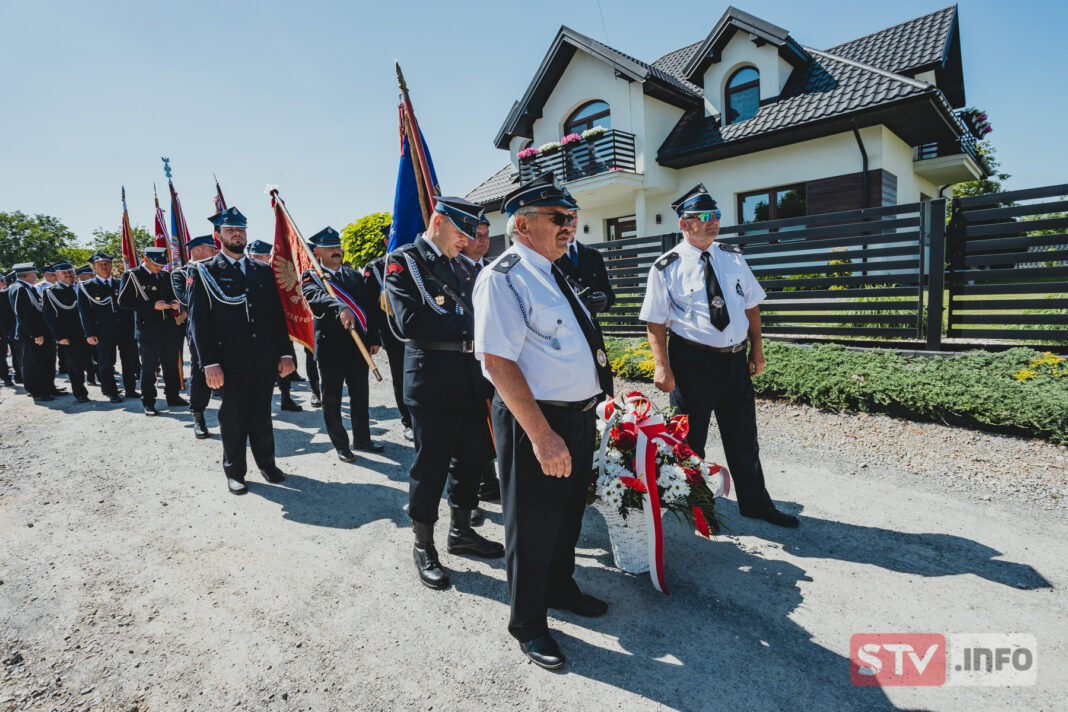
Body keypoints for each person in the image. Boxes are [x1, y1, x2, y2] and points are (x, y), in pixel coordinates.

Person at [473, 172, 615, 670]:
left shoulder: (553, 272)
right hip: (536, 421)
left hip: (575, 419)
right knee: (532, 527)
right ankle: (529, 624)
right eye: (559, 218)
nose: (570, 227)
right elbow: (498, 362)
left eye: (572, 218)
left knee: (568, 516)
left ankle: (559, 587)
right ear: (522, 224)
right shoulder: (505, 276)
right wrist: (542, 435)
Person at [639, 183, 798, 529]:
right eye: (705, 217)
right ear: (685, 224)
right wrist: (662, 367)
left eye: (717, 215)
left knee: (744, 437)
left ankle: (755, 503)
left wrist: (757, 349)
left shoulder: (733, 257)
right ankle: (696, 508)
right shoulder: (666, 267)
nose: (713, 222)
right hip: (692, 363)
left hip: (734, 361)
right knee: (690, 440)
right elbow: (655, 323)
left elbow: (752, 307)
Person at [385, 195, 504, 590]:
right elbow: (411, 323)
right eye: (462, 232)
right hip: (432, 380)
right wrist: (476, 328)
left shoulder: (461, 266)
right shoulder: (405, 261)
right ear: (438, 222)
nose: (468, 241)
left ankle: (461, 532)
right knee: (430, 466)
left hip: (470, 378)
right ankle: (423, 545)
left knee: (471, 460)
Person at [188, 207, 295, 495]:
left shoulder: (261, 270)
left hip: (262, 358)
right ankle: (235, 471)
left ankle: (267, 465)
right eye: (231, 230)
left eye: (241, 230)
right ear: (218, 235)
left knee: (262, 415)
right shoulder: (205, 271)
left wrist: (286, 353)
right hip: (228, 362)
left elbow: (276, 316)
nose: (238, 234)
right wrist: (208, 363)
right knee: (233, 419)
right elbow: (199, 323)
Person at [301, 226, 383, 461]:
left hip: (358, 347)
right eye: (330, 248)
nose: (337, 251)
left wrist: (374, 338)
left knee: (360, 396)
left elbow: (370, 309)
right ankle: (341, 445)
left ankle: (363, 439)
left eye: (338, 246)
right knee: (332, 399)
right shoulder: (312, 276)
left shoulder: (353, 275)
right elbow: (315, 297)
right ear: (318, 251)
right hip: (330, 348)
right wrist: (340, 307)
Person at [456, 214, 500, 505]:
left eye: (486, 234)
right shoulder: (453, 269)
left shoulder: (492, 269)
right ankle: (470, 494)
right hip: (464, 363)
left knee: (491, 423)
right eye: (478, 235)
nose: (484, 240)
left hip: (494, 361)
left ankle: (491, 480)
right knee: (470, 433)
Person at [118, 246, 187, 416]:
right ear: (146, 260)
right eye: (156, 264)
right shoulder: (132, 276)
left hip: (169, 328)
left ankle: (173, 396)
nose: (160, 267)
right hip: (148, 330)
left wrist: (174, 302)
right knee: (149, 368)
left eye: (162, 264)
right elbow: (123, 301)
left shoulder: (165, 275)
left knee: (171, 365)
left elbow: (172, 294)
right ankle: (148, 401)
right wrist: (151, 306)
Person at [172, 234, 219, 438]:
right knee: (201, 372)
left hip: (224, 329)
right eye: (212, 248)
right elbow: (186, 299)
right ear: (198, 249)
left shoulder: (219, 269)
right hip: (199, 329)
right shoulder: (181, 273)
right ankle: (199, 417)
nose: (216, 252)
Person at [77, 252, 140, 402]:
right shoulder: (87, 287)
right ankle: (111, 391)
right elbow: (84, 313)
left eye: (107, 264)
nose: (105, 267)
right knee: (106, 363)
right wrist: (89, 333)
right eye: (100, 265)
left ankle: (130, 390)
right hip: (103, 331)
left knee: (129, 362)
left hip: (125, 329)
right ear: (94, 267)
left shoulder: (121, 283)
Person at [363, 252, 413, 441]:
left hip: (422, 331)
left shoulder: (416, 259)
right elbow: (370, 306)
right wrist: (373, 338)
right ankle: (408, 422)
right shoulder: (376, 268)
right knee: (401, 377)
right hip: (393, 334)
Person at [10, 263, 63, 401]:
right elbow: (23, 314)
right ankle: (37, 391)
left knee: (46, 361)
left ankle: (48, 388)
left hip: (40, 332)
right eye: (34, 273)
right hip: (31, 335)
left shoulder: (26, 288)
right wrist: (35, 333)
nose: (36, 276)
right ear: (28, 274)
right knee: (34, 363)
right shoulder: (20, 289)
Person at [42, 262, 90, 402]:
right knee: (75, 366)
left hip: (89, 331)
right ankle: (80, 393)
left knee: (99, 361)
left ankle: (108, 389)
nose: (69, 275)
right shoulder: (52, 291)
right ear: (56, 275)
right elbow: (49, 316)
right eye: (64, 273)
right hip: (70, 334)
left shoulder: (83, 286)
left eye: (70, 272)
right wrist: (60, 336)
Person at [554, 231, 615, 318]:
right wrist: (575, 303)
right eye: (566, 218)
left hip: (591, 326)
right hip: (563, 327)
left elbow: (608, 293)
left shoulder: (594, 255)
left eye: (573, 217)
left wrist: (604, 301)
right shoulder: (550, 258)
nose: (571, 222)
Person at [74, 265, 98, 385]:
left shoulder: (92, 287)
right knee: (86, 355)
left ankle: (102, 378)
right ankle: (90, 377)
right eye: (90, 274)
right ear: (80, 276)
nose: (93, 276)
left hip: (94, 326)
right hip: (79, 328)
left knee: (98, 354)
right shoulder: (76, 287)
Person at [0, 273, 15, 386]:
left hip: (4, 329)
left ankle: (6, 377)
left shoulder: (5, 294)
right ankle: (5, 378)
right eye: (2, 280)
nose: (4, 283)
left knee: (2, 355)